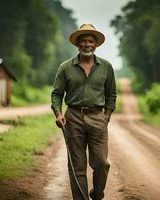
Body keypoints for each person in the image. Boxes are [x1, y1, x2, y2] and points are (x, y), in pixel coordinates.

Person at [51, 24, 117, 200]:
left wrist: (106, 117)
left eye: (90, 41)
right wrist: (58, 114)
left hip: (97, 117)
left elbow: (111, 94)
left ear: (95, 44)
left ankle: (97, 194)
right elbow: (57, 94)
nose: (87, 44)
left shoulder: (106, 67)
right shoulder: (65, 68)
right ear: (77, 44)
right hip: (73, 117)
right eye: (83, 41)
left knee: (102, 163)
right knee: (77, 166)